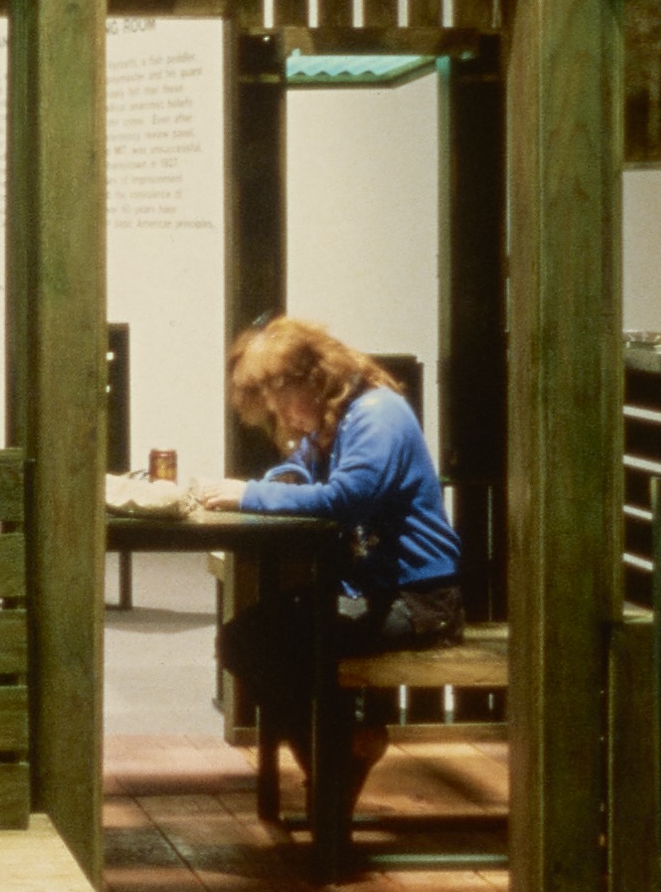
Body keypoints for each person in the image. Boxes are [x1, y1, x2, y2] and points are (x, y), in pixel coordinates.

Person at [192, 317, 463, 792]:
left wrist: (248, 494)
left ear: (314, 378)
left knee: (274, 642)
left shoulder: (379, 414)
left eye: (284, 403)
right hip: (370, 592)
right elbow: (297, 472)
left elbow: (345, 498)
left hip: (418, 599)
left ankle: (337, 764)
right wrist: (281, 478)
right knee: (244, 639)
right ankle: (341, 752)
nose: (285, 419)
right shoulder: (335, 421)